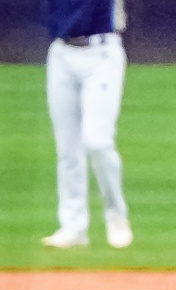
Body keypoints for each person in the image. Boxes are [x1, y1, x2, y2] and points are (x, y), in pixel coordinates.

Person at [42, 0, 132, 249]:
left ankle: (116, 214)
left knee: (97, 141)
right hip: (62, 53)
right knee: (67, 148)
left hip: (101, 52)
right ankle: (73, 228)